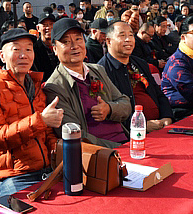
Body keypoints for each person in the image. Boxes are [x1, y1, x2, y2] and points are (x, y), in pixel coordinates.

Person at [0, 28, 61, 197]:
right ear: (2, 55)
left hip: (47, 170)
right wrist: (40, 120)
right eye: (16, 49)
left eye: (28, 49)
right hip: (13, 176)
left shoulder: (34, 85)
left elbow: (47, 133)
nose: (23, 55)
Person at [43, 18, 131, 148]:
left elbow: (125, 104)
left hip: (125, 140)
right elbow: (75, 134)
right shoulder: (55, 87)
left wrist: (109, 109)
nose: (75, 46)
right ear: (55, 49)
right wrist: (117, 148)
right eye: (66, 42)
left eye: (78, 39)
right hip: (101, 153)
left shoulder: (97, 70)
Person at [98, 21, 173, 132]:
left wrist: (167, 117)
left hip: (160, 126)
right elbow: (110, 112)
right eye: (122, 36)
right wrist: (140, 126)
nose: (128, 40)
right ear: (108, 41)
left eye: (131, 35)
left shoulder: (140, 63)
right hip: (132, 133)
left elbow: (158, 93)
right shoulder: (101, 70)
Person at [32, 12, 58, 79]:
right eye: (44, 25)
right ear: (38, 28)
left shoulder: (61, 46)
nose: (48, 27)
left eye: (51, 24)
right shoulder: (34, 50)